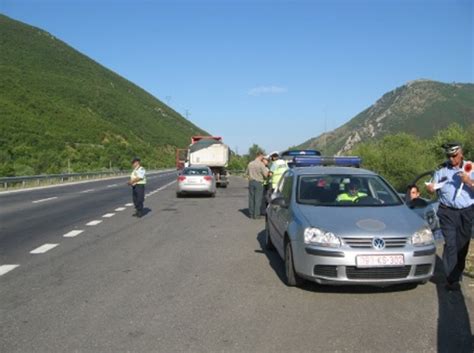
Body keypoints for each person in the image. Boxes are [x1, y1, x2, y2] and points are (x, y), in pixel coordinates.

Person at [426, 142, 474, 291]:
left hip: (466, 212)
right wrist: (430, 190)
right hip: (447, 212)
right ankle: (452, 280)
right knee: (451, 244)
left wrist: (469, 182)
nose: (451, 159)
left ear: (461, 154)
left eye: (454, 156)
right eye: (449, 156)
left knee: (462, 246)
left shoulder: (471, 167)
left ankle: (457, 272)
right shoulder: (441, 171)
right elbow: (432, 188)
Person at [246, 152, 268, 219]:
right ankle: (256, 215)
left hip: (251, 182)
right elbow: (266, 175)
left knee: (251, 198)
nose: (263, 158)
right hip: (258, 183)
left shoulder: (250, 163)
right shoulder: (261, 164)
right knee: (258, 199)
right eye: (263, 157)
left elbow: (247, 173)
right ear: (260, 156)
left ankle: (251, 214)